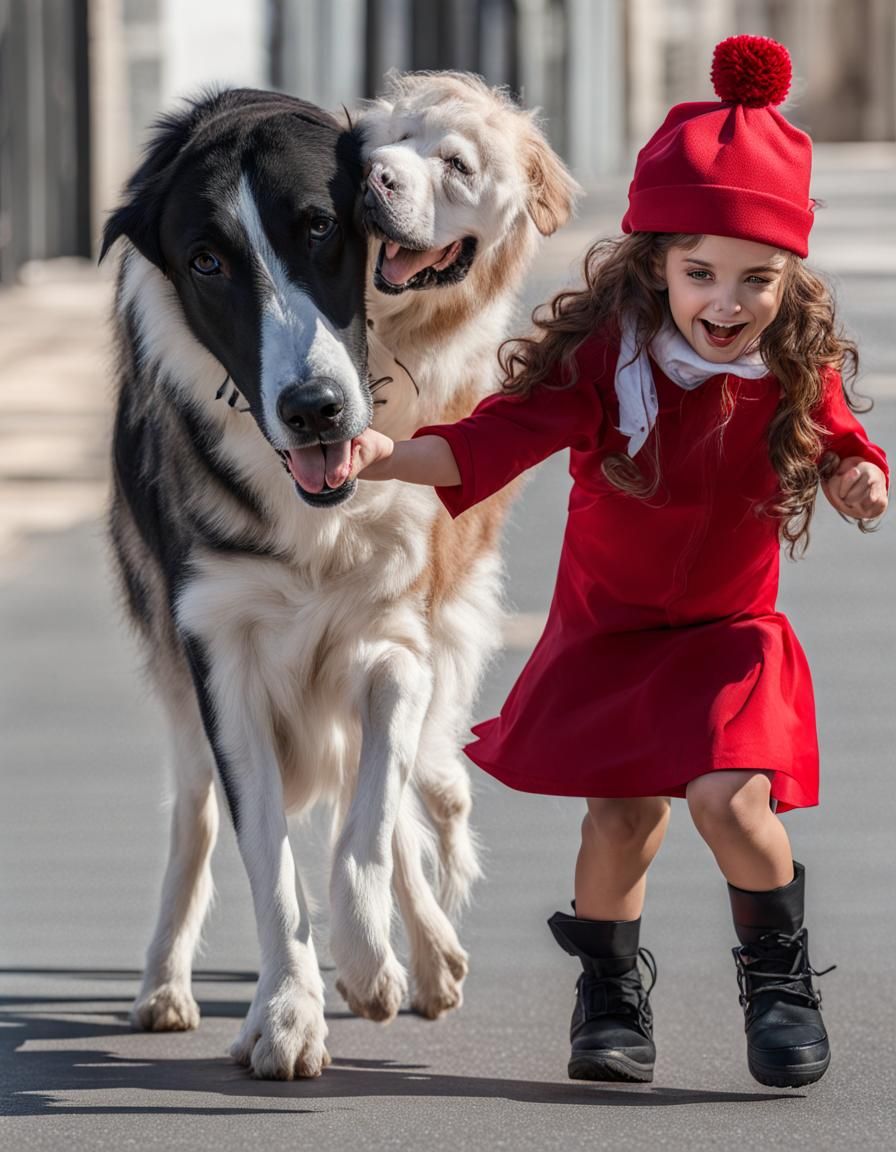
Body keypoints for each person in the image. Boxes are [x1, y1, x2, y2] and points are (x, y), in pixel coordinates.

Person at [347, 35, 889, 1088]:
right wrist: (385, 454)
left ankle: (776, 981)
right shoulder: (607, 361)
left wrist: (854, 478)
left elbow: (836, 440)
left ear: (788, 281)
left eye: (755, 280)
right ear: (652, 265)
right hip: (610, 630)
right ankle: (608, 997)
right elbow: (491, 437)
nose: (725, 304)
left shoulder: (790, 365)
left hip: (730, 633)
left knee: (730, 802)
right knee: (620, 816)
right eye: (698, 275)